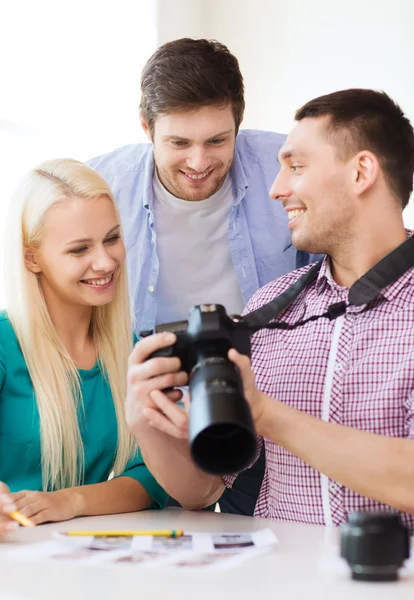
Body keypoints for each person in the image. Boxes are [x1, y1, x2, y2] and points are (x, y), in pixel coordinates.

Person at [124, 88, 414, 531]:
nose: (276, 190)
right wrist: (146, 419)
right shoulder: (267, 309)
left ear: (361, 172)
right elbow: (202, 491)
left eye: (296, 168)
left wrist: (268, 416)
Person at [88, 38, 320, 514]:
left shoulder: (289, 169)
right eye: (178, 143)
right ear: (146, 128)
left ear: (239, 121)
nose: (198, 163)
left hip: (266, 408)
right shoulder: (101, 187)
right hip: (153, 413)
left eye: (217, 140)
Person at [0, 159, 167, 541]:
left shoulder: (134, 353)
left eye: (111, 238)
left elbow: (151, 478)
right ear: (31, 257)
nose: (106, 262)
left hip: (80, 561)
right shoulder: (4, 345)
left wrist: (69, 501)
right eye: (79, 249)